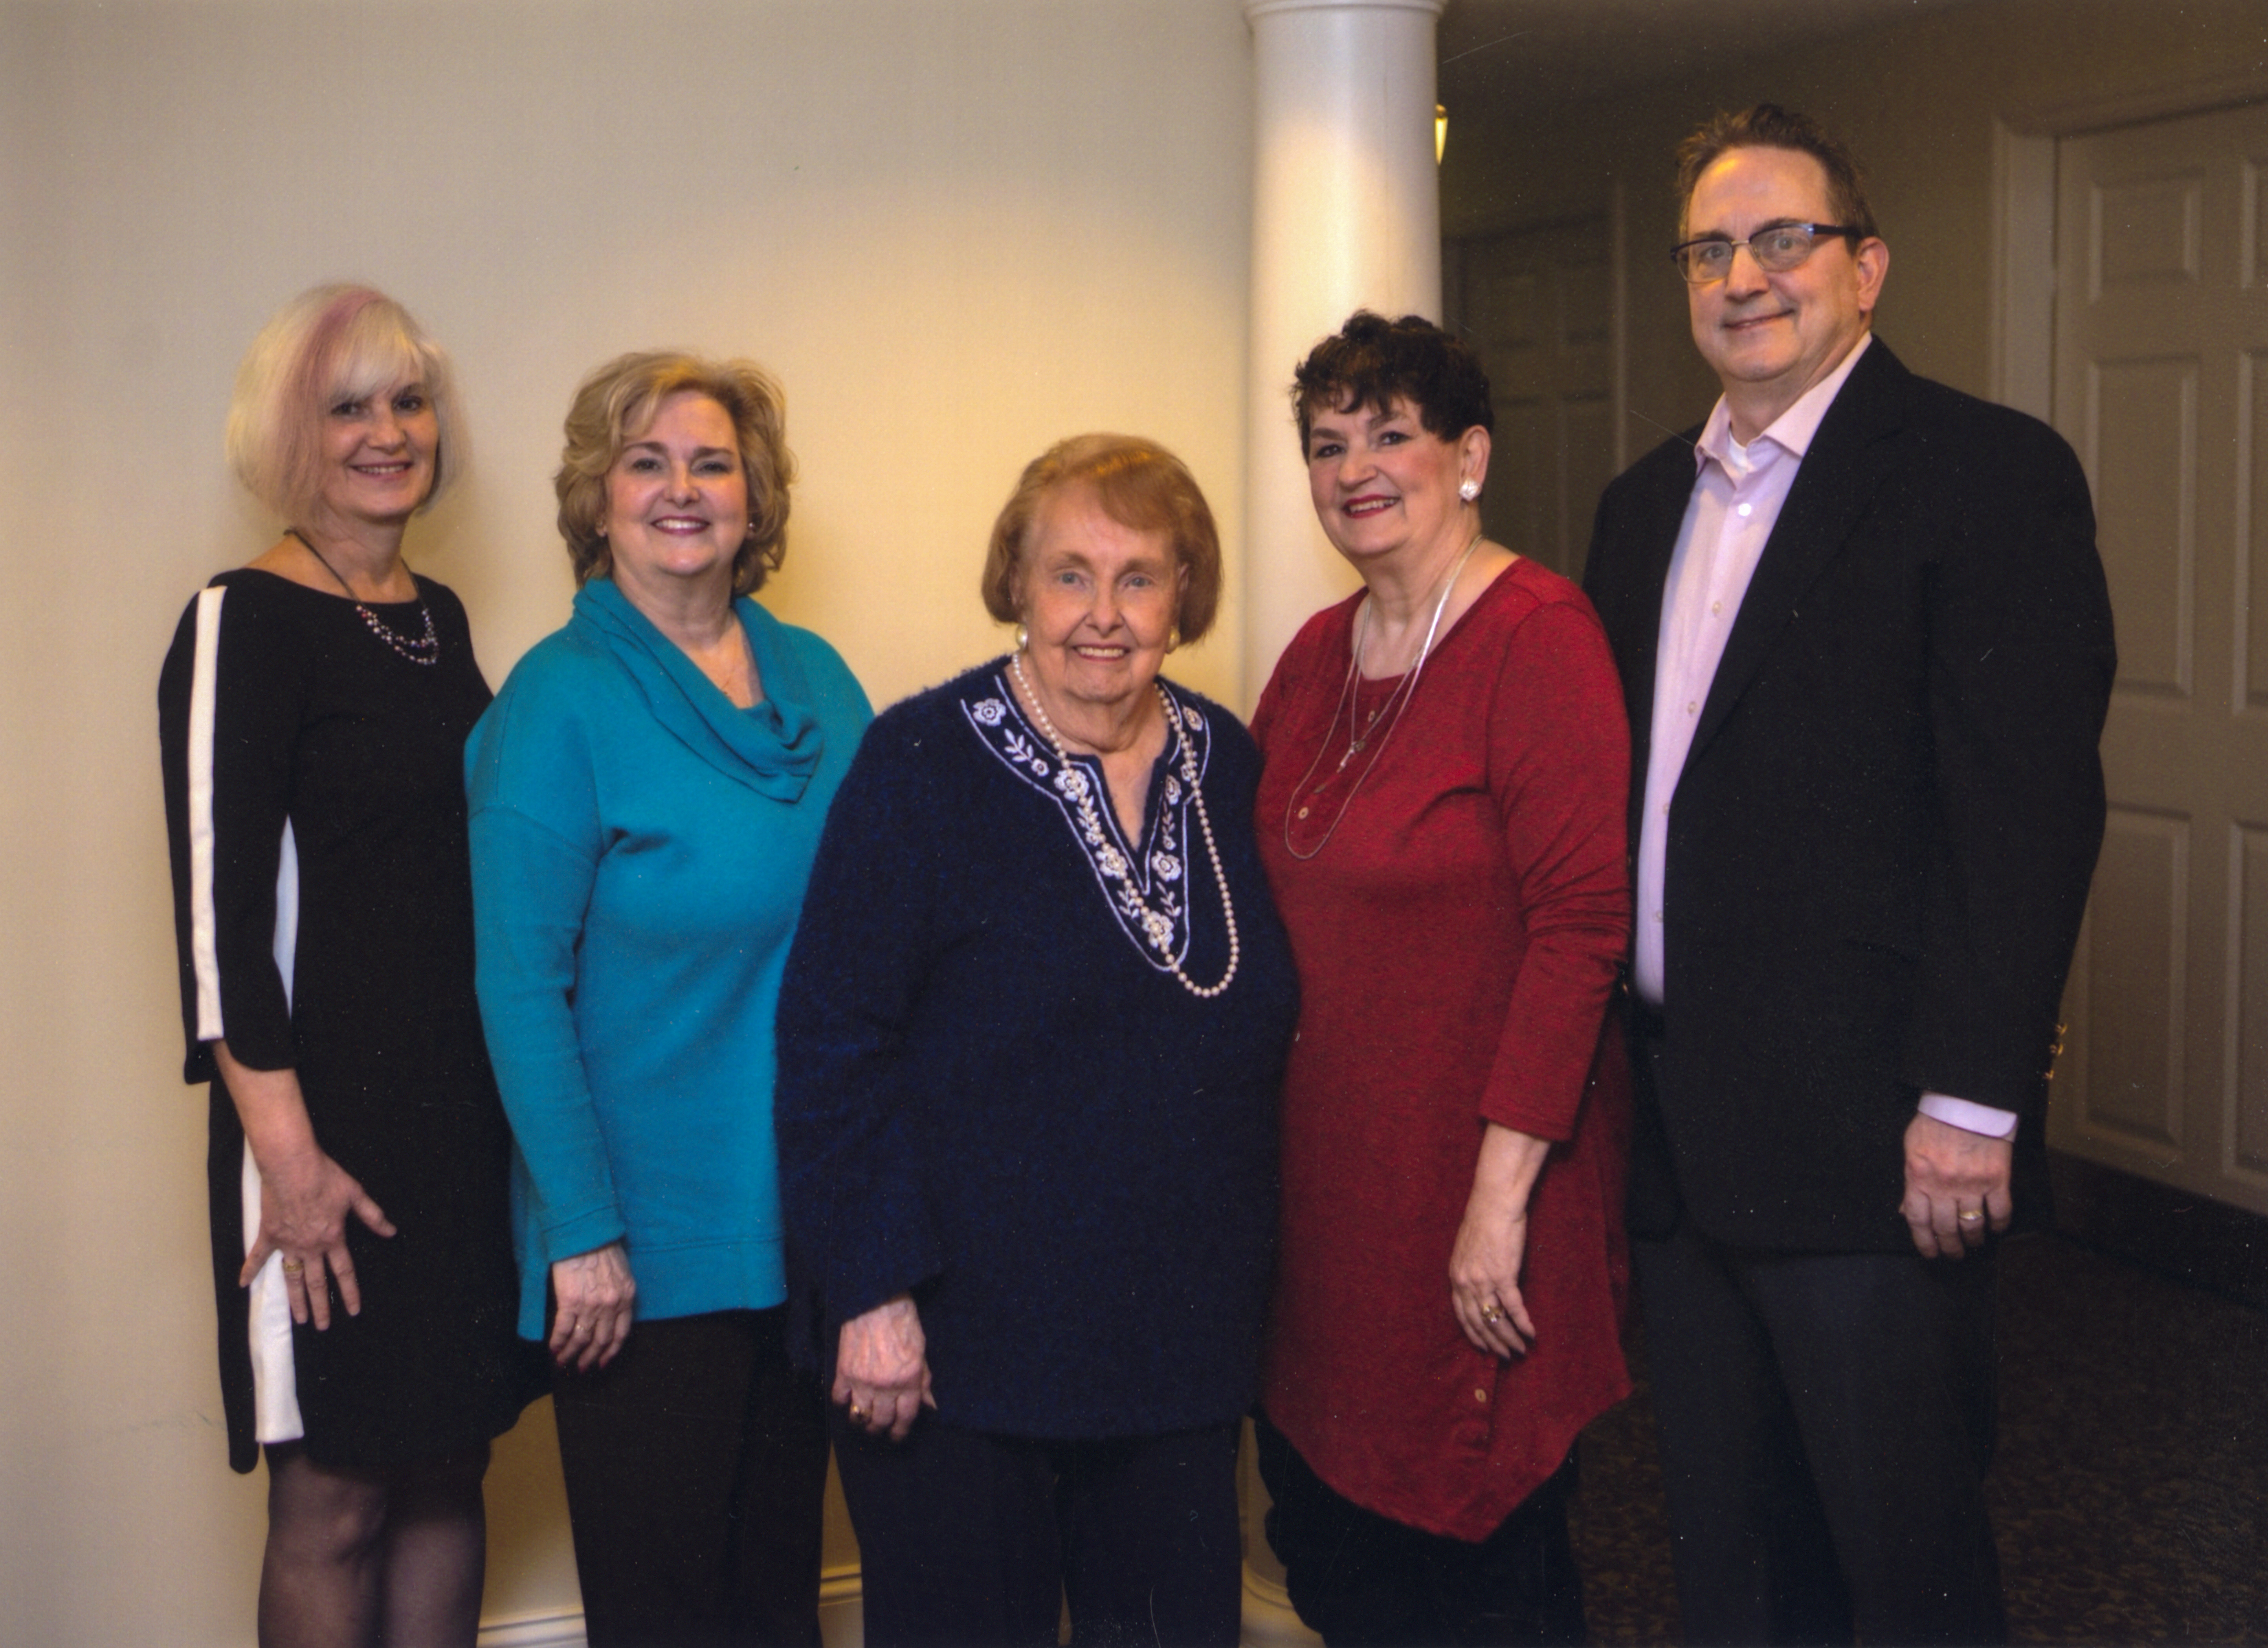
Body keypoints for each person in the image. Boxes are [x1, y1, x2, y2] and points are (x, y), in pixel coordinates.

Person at [1579, 104, 2117, 1644]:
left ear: (1865, 268)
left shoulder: (1986, 475)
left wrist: (1973, 1100)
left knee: (1907, 1575)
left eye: (1782, 239)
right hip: (1684, 1151)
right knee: (1732, 1571)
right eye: (1709, 249)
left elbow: (2026, 816)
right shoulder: (1639, 509)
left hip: (1882, 1159)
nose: (1742, 276)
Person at [774, 434, 1300, 1648]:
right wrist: (871, 1293)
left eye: (1139, 577)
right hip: (957, 1357)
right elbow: (829, 1040)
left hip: (1178, 1349)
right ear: (1017, 583)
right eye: (1071, 575)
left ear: (1186, 596)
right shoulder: (920, 761)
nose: (1102, 616)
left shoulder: (1229, 763)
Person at [465, 352, 871, 1647]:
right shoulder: (556, 705)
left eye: (712, 463)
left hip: (804, 1226)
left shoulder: (821, 681)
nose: (682, 490)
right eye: (647, 463)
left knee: (776, 1603)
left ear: (756, 501)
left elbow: (882, 937)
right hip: (638, 1253)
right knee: (668, 1618)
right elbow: (520, 986)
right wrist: (580, 1229)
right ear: (598, 500)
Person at [157, 284, 537, 1648]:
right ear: (290, 437)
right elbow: (217, 927)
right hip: (322, 1137)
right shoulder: (240, 620)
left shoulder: (434, 614)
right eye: (349, 407)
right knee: (334, 1502)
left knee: (447, 1467)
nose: (389, 432)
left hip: (460, 1123)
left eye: (409, 401)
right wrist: (289, 1162)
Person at [1249, 310, 1635, 1645]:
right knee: (1332, 1548)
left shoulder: (1539, 635)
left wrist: (1496, 1204)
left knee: (1475, 1584)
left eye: (1391, 434)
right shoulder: (1312, 658)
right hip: (1326, 1211)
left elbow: (1585, 930)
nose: (1356, 467)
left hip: (1477, 1201)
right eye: (1327, 442)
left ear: (1469, 456)